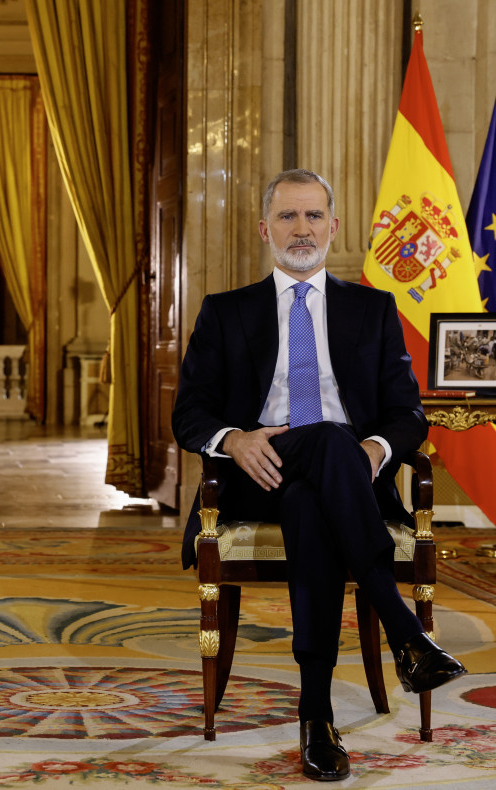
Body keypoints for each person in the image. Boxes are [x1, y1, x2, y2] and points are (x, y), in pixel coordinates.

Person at [172, 169, 466, 781]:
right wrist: (235, 439)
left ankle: (317, 717)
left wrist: (377, 451)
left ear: (334, 228)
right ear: (264, 229)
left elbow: (408, 412)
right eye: (287, 217)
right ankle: (405, 631)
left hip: (345, 479)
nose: (301, 230)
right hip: (256, 475)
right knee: (326, 449)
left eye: (312, 217)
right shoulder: (226, 313)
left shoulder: (373, 309)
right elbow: (188, 413)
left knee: (318, 488)